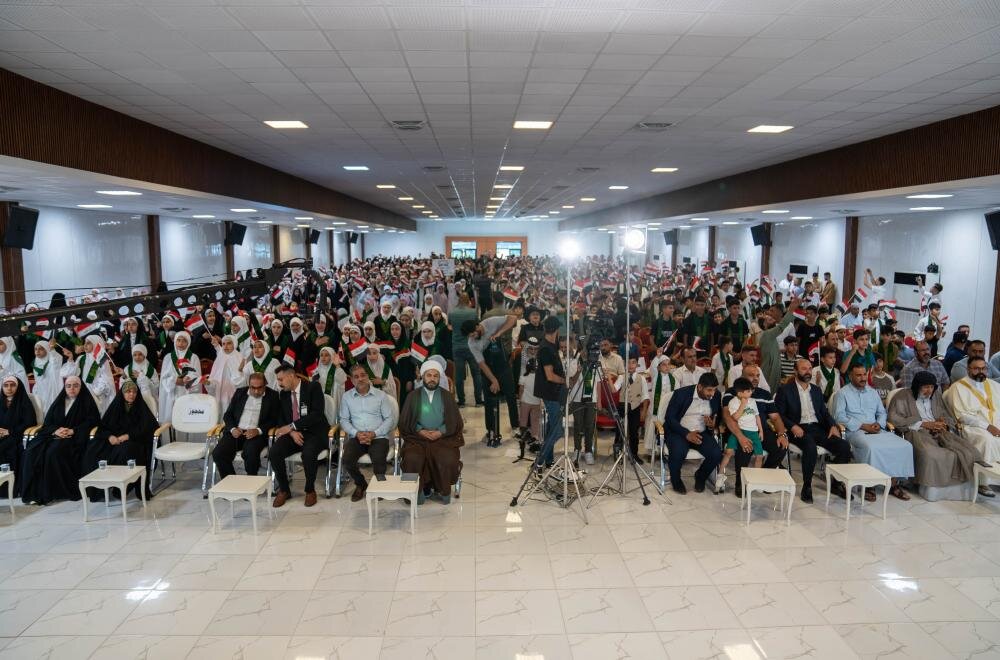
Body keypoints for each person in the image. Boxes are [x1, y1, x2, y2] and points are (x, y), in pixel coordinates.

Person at [887, 370, 987, 497]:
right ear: (917, 386)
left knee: (969, 452)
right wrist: (923, 424)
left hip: (940, 432)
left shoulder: (936, 396)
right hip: (916, 432)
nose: (929, 391)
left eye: (932, 387)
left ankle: (960, 491)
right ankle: (930, 490)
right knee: (931, 455)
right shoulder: (903, 396)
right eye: (925, 387)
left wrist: (943, 423)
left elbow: (947, 415)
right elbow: (894, 418)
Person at [833, 364, 916, 500]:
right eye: (858, 375)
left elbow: (882, 412)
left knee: (904, 445)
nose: (862, 378)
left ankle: (893, 484)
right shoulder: (842, 393)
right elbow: (839, 416)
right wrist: (863, 426)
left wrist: (879, 424)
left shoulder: (872, 392)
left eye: (864, 374)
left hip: (877, 430)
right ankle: (868, 485)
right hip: (856, 431)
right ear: (850, 376)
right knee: (871, 448)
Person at [775, 359, 852, 501]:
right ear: (795, 371)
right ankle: (807, 486)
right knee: (810, 447)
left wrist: (832, 425)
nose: (808, 372)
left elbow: (824, 412)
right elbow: (779, 414)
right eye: (804, 369)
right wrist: (792, 426)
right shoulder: (785, 390)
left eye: (810, 368)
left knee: (844, 446)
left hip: (817, 428)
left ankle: (835, 482)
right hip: (798, 428)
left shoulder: (816, 390)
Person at [20, 376, 101, 505]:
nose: (72, 388)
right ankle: (34, 493)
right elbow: (48, 423)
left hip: (75, 439)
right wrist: (56, 430)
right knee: (31, 451)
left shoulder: (87, 402)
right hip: (54, 435)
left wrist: (73, 431)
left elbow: (93, 422)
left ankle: (53, 492)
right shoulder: (59, 402)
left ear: (81, 387)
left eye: (75, 385)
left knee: (53, 452)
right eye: (68, 386)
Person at [399, 360, 464, 504]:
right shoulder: (413, 396)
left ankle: (442, 490)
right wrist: (420, 430)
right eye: (429, 375)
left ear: (439, 378)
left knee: (447, 458)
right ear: (423, 376)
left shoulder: (447, 396)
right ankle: (417, 492)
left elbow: (455, 421)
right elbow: (405, 420)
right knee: (412, 458)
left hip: (443, 439)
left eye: (435, 376)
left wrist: (440, 432)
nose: (432, 379)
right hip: (417, 439)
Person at [81, 380, 159, 500]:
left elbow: (148, 428)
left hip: (135, 440)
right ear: (122, 393)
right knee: (93, 449)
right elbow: (103, 427)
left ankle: (120, 488)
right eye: (128, 391)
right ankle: (98, 489)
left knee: (125, 450)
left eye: (134, 392)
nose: (131, 394)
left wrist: (128, 436)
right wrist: (110, 437)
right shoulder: (116, 407)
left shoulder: (141, 408)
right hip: (114, 440)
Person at [721, 364, 790, 498]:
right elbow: (728, 418)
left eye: (757, 375)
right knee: (745, 448)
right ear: (742, 376)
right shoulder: (732, 392)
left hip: (760, 430)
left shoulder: (764, 394)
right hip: (739, 429)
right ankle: (740, 482)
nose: (756, 378)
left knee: (781, 447)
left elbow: (775, 417)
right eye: (751, 375)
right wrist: (740, 437)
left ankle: (763, 477)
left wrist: (781, 434)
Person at [268, 364, 329, 508]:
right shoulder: (283, 394)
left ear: (291, 376)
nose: (279, 383)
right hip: (294, 433)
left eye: (281, 379)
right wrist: (291, 432)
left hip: (314, 432)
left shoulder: (313, 387)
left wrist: (292, 426)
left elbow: (317, 414)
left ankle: (310, 490)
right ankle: (284, 490)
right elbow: (281, 418)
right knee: (274, 452)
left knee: (308, 454)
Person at [339, 362, 398, 502]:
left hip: (378, 436)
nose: (360, 379)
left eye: (363, 375)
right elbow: (344, 420)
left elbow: (389, 419)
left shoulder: (381, 395)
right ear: (352, 380)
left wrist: (374, 433)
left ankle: (379, 487)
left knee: (379, 459)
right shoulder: (347, 397)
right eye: (356, 376)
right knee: (347, 460)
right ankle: (361, 484)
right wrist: (356, 433)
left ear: (367, 376)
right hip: (357, 437)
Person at [212, 372, 280, 480]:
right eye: (253, 388)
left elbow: (275, 419)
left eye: (259, 388)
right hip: (237, 431)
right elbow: (228, 414)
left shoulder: (273, 396)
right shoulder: (240, 393)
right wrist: (233, 429)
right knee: (218, 453)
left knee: (251, 452)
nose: (256, 391)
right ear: (249, 385)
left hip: (256, 434)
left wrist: (258, 430)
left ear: (265, 385)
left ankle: (251, 482)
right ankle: (231, 481)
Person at [465, 314, 520, 446]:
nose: (473, 337)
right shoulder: (471, 343)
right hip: (488, 369)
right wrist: (493, 380)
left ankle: (515, 427)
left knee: (511, 396)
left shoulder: (490, 322)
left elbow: (513, 319)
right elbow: (481, 364)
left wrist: (499, 333)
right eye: (470, 336)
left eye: (474, 333)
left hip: (503, 366)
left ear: (478, 326)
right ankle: (490, 430)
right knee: (489, 401)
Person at [663, 372, 722, 494]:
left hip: (701, 432)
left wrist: (711, 426)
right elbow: (670, 418)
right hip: (679, 431)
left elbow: (717, 418)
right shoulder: (681, 394)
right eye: (709, 390)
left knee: (716, 453)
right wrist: (687, 434)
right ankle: (676, 480)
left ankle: (701, 476)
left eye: (714, 390)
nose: (712, 394)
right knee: (678, 451)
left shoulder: (716, 396)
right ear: (700, 387)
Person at [948, 356, 1000, 471]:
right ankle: (985, 478)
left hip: (996, 423)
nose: (981, 372)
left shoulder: (994, 385)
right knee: (987, 440)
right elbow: (962, 416)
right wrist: (987, 426)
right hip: (973, 427)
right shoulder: (958, 388)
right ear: (968, 369)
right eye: (976, 369)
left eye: (983, 368)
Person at [717, 377, 764, 493]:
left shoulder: (752, 401)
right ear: (740, 393)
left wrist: (761, 430)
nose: (751, 392)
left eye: (751, 390)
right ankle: (720, 475)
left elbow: (757, 416)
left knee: (759, 456)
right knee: (728, 452)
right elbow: (735, 417)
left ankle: (757, 479)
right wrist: (742, 404)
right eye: (748, 391)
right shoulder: (733, 402)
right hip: (740, 431)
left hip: (753, 432)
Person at [533, 316, 566, 469]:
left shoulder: (551, 346)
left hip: (554, 393)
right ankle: (539, 461)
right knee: (558, 431)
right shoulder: (546, 349)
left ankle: (548, 459)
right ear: (556, 330)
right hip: (551, 394)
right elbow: (550, 376)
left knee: (552, 428)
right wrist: (564, 381)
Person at [0, 376, 36, 496]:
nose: (9, 388)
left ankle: (9, 490)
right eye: (6, 385)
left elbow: (30, 422)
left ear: (18, 386)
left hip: (18, 436)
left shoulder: (24, 402)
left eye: (12, 385)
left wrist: (10, 431)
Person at [157, 331, 202, 424]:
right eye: (179, 340)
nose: (181, 343)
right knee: (172, 420)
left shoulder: (194, 358)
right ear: (175, 341)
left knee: (187, 421)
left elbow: (197, 378)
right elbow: (163, 379)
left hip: (188, 394)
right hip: (172, 394)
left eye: (184, 341)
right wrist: (174, 380)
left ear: (188, 342)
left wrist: (188, 380)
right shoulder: (168, 358)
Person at [613, 355, 649, 464]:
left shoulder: (641, 378)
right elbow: (614, 389)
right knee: (620, 431)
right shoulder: (621, 377)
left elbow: (645, 396)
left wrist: (644, 411)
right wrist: (609, 378)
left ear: (637, 364)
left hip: (635, 407)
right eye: (628, 362)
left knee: (634, 432)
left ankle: (634, 454)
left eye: (633, 362)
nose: (630, 365)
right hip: (622, 406)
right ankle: (618, 453)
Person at [449, 293, 483, 407]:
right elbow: (478, 326)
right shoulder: (473, 312)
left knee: (459, 375)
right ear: (468, 300)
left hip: (457, 346)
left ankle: (461, 401)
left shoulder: (452, 313)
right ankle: (478, 400)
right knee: (476, 373)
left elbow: (450, 326)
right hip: (471, 346)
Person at [759, 298, 800, 390]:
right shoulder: (767, 334)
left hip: (774, 370)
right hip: (769, 372)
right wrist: (791, 310)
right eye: (767, 319)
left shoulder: (771, 336)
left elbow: (773, 351)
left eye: (771, 312)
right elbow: (781, 326)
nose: (770, 315)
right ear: (764, 325)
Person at [207, 335, 243, 421]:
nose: (226, 346)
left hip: (233, 392)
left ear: (234, 344)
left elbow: (241, 379)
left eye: (229, 343)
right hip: (220, 391)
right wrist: (208, 382)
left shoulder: (239, 357)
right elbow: (214, 376)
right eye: (223, 344)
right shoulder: (220, 356)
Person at [31, 340, 73, 414]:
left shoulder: (52, 361)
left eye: (41, 349)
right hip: (40, 392)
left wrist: (52, 349)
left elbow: (55, 360)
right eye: (36, 349)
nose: (37, 351)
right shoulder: (36, 362)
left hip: (52, 391)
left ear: (47, 349)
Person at [516, 340, 542, 448]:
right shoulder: (539, 378)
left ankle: (523, 436)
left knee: (523, 419)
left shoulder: (523, 377)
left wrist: (519, 399)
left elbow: (521, 390)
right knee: (535, 421)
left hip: (525, 402)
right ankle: (535, 437)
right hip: (536, 402)